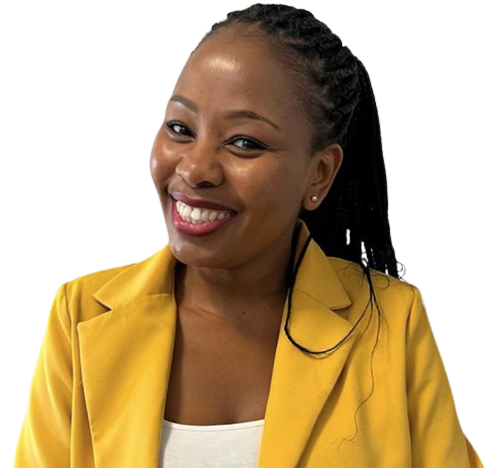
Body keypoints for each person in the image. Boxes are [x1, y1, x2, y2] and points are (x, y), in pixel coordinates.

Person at [14, 3, 483, 467]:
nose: (195, 169)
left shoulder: (393, 322)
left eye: (244, 142)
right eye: (180, 128)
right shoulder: (80, 314)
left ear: (319, 174)